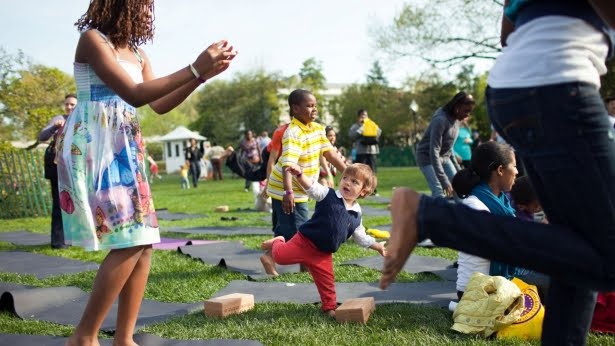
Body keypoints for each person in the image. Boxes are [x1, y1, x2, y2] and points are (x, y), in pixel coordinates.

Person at [381, 1, 615, 345]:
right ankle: (431, 216)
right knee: (608, 256)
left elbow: (508, 33)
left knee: (574, 246)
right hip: (559, 87)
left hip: (512, 91)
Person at [55, 1, 237, 345]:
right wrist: (194, 68)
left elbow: (159, 103)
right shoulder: (93, 41)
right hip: (98, 149)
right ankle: (84, 337)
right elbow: (135, 94)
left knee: (145, 243)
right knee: (129, 241)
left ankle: (124, 338)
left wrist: (202, 77)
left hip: (126, 149)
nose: (147, 11)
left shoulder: (138, 55)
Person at [260, 163, 386, 316]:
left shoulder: (356, 215)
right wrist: (299, 174)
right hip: (305, 242)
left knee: (327, 282)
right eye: (345, 178)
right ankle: (278, 241)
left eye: (354, 182)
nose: (347, 182)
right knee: (280, 257)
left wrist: (377, 245)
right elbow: (312, 187)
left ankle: (329, 307)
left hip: (323, 254)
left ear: (363, 191)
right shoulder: (328, 194)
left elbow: (361, 237)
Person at [266, 89, 347, 241]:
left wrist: (348, 171)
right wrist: (288, 192)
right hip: (288, 189)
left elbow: (329, 153)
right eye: (310, 106)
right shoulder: (293, 133)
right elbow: (288, 165)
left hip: (300, 186)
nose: (315, 109)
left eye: (315, 105)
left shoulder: (317, 128)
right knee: (299, 232)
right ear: (296, 109)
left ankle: (270, 256)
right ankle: (304, 265)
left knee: (286, 229)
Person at [415, 92, 475, 199]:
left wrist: (458, 172)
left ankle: (463, 215)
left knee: (459, 188)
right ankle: (436, 214)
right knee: (439, 191)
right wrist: (444, 180)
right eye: (466, 111)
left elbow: (449, 146)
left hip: (444, 158)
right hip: (427, 157)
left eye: (470, 112)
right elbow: (434, 150)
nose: (467, 115)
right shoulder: (440, 120)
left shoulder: (456, 119)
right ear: (457, 106)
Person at [39, 93, 77, 249]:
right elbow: (41, 136)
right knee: (59, 202)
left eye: (72, 104)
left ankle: (75, 238)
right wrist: (55, 127)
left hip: (76, 165)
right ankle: (58, 241)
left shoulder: (82, 119)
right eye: (67, 104)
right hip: (57, 165)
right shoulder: (58, 119)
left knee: (77, 202)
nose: (69, 107)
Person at [348, 109, 381, 193]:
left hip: (371, 151)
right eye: (362, 115)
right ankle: (359, 189)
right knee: (360, 172)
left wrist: (372, 128)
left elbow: (379, 132)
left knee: (372, 171)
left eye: (365, 115)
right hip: (360, 152)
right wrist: (361, 129)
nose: (364, 117)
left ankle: (372, 190)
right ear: (358, 117)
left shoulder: (371, 124)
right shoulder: (355, 126)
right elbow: (351, 136)